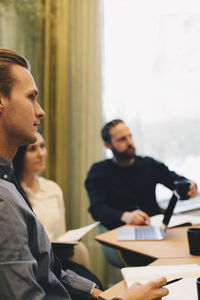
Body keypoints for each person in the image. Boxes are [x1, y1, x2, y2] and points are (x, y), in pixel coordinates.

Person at [0, 48, 169, 299]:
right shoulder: (3, 200)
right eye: (31, 97)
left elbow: (51, 269)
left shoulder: (8, 181)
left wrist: (97, 294)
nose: (41, 111)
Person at [13, 130, 103, 290]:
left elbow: (61, 234)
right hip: (34, 267)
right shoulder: (13, 194)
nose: (41, 153)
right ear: (20, 155)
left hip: (58, 262)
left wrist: (67, 244)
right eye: (32, 149)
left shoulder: (53, 189)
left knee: (96, 285)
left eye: (42, 146)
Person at [85, 119, 198, 230]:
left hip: (155, 228)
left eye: (130, 136)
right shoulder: (98, 171)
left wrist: (191, 186)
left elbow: (176, 182)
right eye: (122, 139)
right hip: (122, 233)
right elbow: (97, 208)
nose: (129, 142)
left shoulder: (149, 164)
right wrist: (125, 216)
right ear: (108, 145)